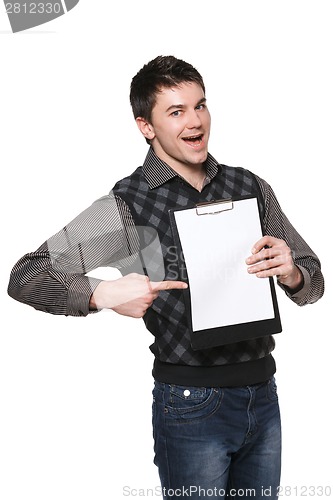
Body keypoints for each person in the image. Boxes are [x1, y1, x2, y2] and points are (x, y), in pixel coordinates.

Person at [8, 55, 324, 499]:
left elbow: (313, 280)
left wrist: (292, 272)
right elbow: (26, 274)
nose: (195, 121)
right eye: (176, 111)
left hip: (263, 397)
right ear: (146, 126)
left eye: (200, 105)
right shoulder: (128, 204)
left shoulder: (249, 187)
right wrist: (101, 293)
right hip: (192, 405)